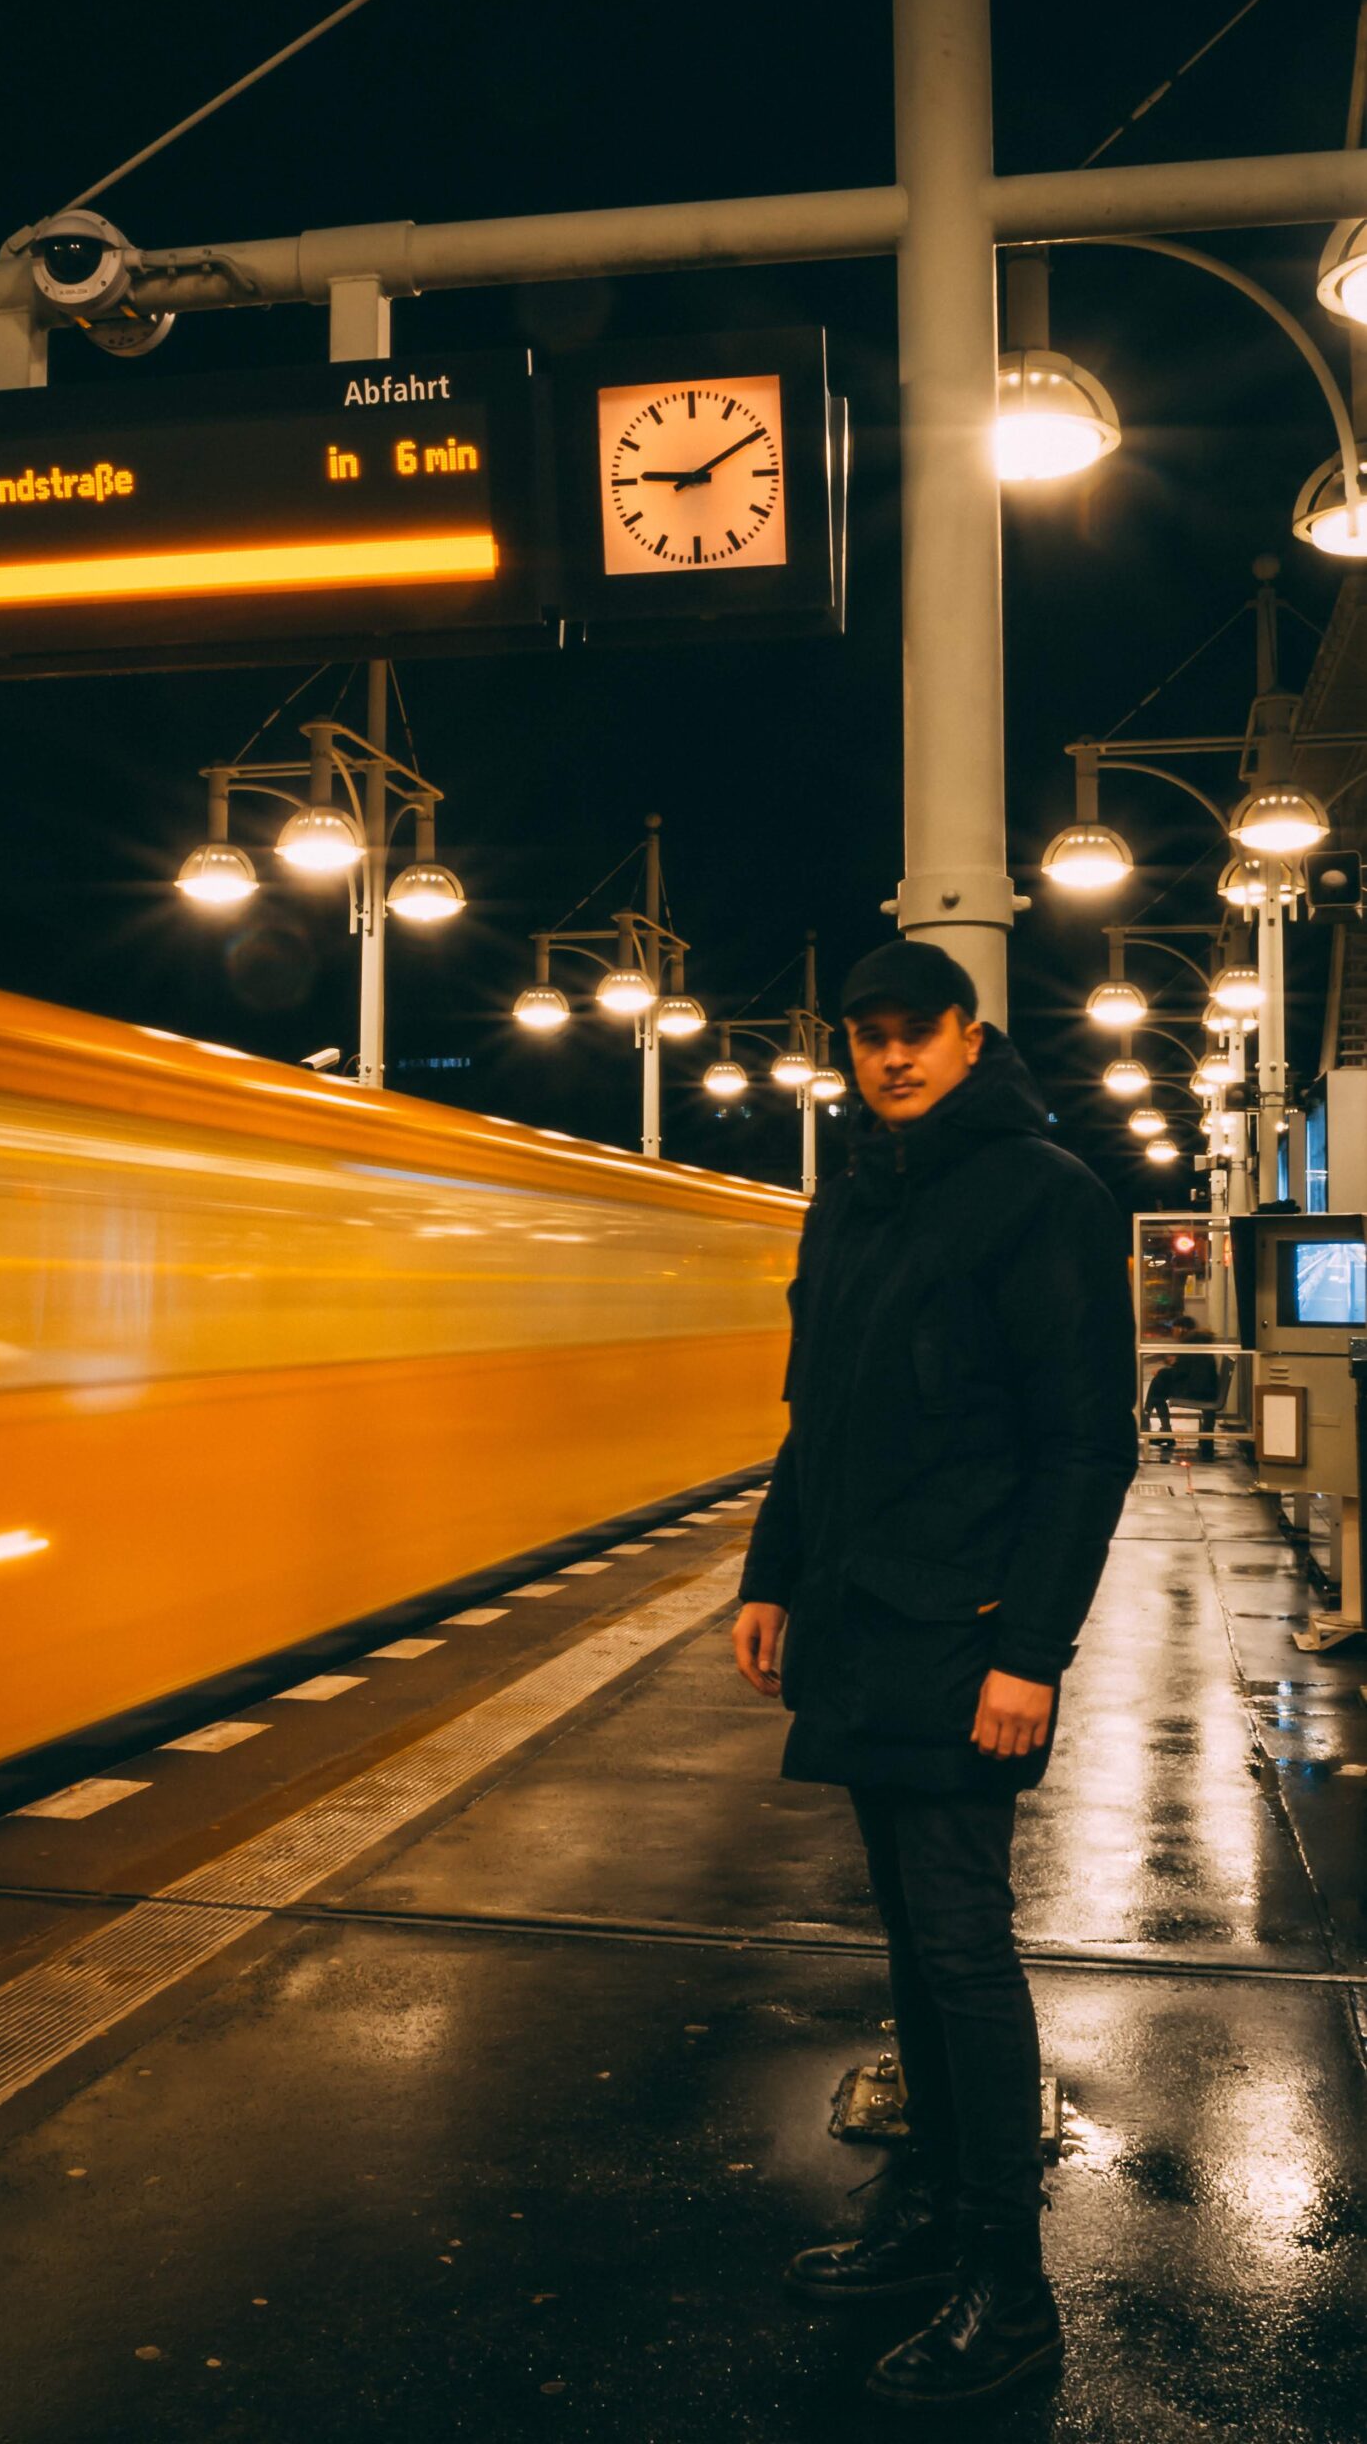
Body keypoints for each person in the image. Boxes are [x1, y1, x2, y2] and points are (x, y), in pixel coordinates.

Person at [732, 939, 1136, 2410]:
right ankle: (921, 2221)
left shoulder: (1042, 1197)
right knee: (909, 1937)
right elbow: (813, 1412)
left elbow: (1084, 1448)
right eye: (866, 1036)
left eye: (915, 1032)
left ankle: (1005, 2290)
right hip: (856, 1623)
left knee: (961, 1948)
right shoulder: (849, 1203)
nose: (888, 1056)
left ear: (971, 1038)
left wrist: (1027, 1654)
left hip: (963, 1640)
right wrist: (768, 1569)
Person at [1143, 1315, 1220, 1462]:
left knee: (1158, 1385)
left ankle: (1155, 1424)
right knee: (1159, 1384)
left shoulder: (1190, 1343)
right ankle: (1160, 1428)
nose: (1172, 1331)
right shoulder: (1197, 1341)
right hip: (1206, 1389)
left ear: (1181, 1329)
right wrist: (1172, 1365)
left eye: (1174, 1328)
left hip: (1197, 1391)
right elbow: (1189, 1369)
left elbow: (1181, 1372)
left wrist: (1164, 1370)